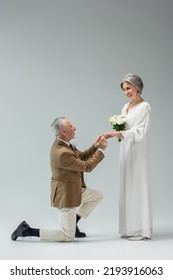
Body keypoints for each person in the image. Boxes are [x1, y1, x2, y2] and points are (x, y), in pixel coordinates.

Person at [11, 117, 108, 242]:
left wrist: (95, 146)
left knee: (97, 196)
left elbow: (82, 157)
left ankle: (74, 223)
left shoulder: (65, 145)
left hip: (74, 190)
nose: (75, 128)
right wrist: (101, 151)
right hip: (66, 196)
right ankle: (26, 231)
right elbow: (87, 167)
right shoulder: (62, 152)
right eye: (71, 126)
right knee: (67, 237)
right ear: (63, 132)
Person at [105, 73, 152, 241]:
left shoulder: (145, 107)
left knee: (137, 184)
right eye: (124, 89)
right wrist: (119, 133)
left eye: (128, 88)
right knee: (127, 184)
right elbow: (125, 126)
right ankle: (129, 227)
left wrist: (118, 132)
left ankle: (140, 228)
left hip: (138, 149)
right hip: (125, 148)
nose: (126, 92)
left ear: (137, 88)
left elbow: (140, 131)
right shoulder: (125, 107)